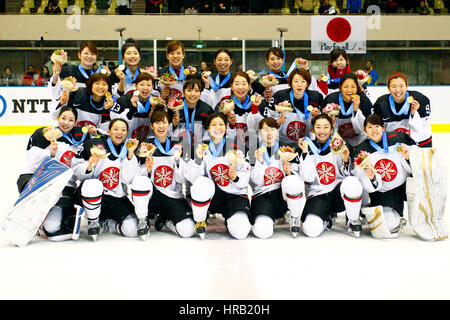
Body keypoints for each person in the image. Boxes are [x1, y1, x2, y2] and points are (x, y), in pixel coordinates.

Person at [17, 106, 90, 241]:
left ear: (75, 122)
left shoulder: (79, 141)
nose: (66, 123)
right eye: (63, 118)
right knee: (38, 206)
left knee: (52, 228)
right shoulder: (44, 134)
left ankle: (64, 217)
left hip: (64, 186)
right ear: (58, 118)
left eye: (70, 120)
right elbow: (31, 161)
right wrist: (49, 153)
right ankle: (33, 216)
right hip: (39, 180)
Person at [130, 106, 200, 238]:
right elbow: (135, 178)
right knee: (140, 182)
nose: (161, 126)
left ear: (169, 125)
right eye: (157, 122)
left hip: (173, 196)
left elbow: (183, 178)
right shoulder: (145, 145)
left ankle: (166, 220)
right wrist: (146, 169)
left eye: (164, 122)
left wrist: (178, 161)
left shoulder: (178, 144)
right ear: (151, 125)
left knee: (188, 230)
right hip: (153, 196)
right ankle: (143, 220)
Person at [72, 118, 144, 240]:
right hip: (94, 195)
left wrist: (131, 155)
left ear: (127, 133)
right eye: (115, 129)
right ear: (109, 131)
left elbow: (128, 179)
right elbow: (76, 170)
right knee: (93, 184)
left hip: (116, 198)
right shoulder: (95, 144)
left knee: (132, 229)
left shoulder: (129, 149)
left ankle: (108, 222)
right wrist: (89, 166)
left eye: (123, 130)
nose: (119, 133)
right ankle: (93, 221)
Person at [297, 113, 364, 238]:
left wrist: (345, 159)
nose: (322, 131)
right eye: (318, 127)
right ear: (313, 129)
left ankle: (353, 219)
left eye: (326, 127)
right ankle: (326, 219)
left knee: (352, 183)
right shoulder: (306, 147)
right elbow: (308, 178)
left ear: (332, 129)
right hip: (318, 195)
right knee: (310, 230)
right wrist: (305, 152)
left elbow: (349, 175)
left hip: (337, 194)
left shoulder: (339, 145)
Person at [352, 114, 416, 238]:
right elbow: (362, 180)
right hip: (382, 192)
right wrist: (371, 177)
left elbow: (418, 157)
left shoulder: (399, 138)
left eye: (377, 126)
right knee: (390, 225)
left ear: (383, 127)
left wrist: (409, 158)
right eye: (370, 127)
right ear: (365, 130)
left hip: (403, 186)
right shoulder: (361, 150)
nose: (374, 131)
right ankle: (375, 209)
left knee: (422, 191)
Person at [189, 112, 252, 240]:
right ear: (208, 128)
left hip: (235, 195)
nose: (218, 128)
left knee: (241, 232)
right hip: (213, 195)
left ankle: (230, 221)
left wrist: (236, 177)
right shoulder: (201, 147)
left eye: (221, 124)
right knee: (202, 183)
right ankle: (200, 220)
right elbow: (194, 179)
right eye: (214, 125)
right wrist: (198, 160)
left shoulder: (237, 145)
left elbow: (245, 174)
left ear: (226, 126)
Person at [249, 117, 305, 239]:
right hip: (262, 196)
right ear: (259, 132)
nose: (269, 133)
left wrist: (288, 172)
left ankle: (294, 217)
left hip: (282, 196)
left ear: (277, 131)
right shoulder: (254, 151)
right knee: (263, 232)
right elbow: (256, 182)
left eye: (273, 129)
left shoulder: (287, 150)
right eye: (265, 130)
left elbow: (299, 180)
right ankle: (265, 218)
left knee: (292, 181)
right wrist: (259, 162)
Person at [372, 72, 432, 147]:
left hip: (420, 142)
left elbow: (421, 129)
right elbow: (378, 128)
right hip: (394, 144)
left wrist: (414, 113)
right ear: (388, 88)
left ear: (407, 86)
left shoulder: (421, 99)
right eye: (394, 86)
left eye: (401, 86)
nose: (398, 90)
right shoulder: (380, 103)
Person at [264, 68, 323, 144]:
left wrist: (317, 117)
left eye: (303, 81)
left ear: (307, 83)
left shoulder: (316, 97)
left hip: (307, 142)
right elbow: (268, 117)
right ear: (290, 82)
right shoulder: (280, 95)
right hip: (283, 142)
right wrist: (276, 122)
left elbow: (323, 121)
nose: (299, 85)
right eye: (296, 81)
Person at [321, 73, 373, 147]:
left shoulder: (364, 100)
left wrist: (356, 110)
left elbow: (367, 126)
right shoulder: (331, 99)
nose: (349, 90)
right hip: (337, 143)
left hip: (360, 142)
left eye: (353, 87)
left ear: (357, 88)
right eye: (346, 87)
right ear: (340, 88)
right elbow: (323, 122)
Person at [213, 71, 264, 144]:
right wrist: (230, 124)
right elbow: (216, 128)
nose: (240, 87)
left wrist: (255, 108)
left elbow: (263, 128)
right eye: (236, 84)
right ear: (231, 86)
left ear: (249, 86)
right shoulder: (223, 105)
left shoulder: (257, 102)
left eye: (244, 84)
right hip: (229, 146)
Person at [171, 77, 214, 160]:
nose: (193, 94)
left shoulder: (207, 110)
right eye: (189, 90)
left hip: (200, 151)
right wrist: (173, 124)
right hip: (177, 151)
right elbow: (166, 131)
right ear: (183, 92)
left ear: (201, 93)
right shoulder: (175, 107)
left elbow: (210, 133)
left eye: (197, 91)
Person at [110, 72, 157, 141]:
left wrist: (155, 117)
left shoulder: (155, 102)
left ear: (152, 87)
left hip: (148, 142)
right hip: (126, 141)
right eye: (142, 84)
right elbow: (114, 121)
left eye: (149, 85)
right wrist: (132, 109)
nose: (145, 88)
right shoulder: (123, 100)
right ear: (135, 86)